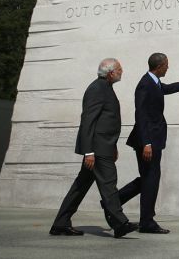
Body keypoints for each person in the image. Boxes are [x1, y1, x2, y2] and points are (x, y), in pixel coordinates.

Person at [104, 52, 179, 234]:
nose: (168, 67)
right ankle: (144, 220)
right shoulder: (145, 84)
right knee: (150, 178)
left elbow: (166, 89)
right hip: (148, 141)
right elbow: (141, 115)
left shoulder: (154, 82)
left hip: (152, 139)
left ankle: (118, 205)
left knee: (149, 179)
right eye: (167, 64)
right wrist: (146, 143)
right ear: (159, 66)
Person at [50, 58, 138, 238]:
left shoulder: (105, 88)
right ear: (111, 72)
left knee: (80, 187)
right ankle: (120, 223)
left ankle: (60, 223)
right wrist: (88, 151)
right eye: (120, 69)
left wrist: (112, 146)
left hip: (104, 146)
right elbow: (88, 120)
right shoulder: (97, 89)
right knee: (108, 183)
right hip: (97, 149)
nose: (122, 71)